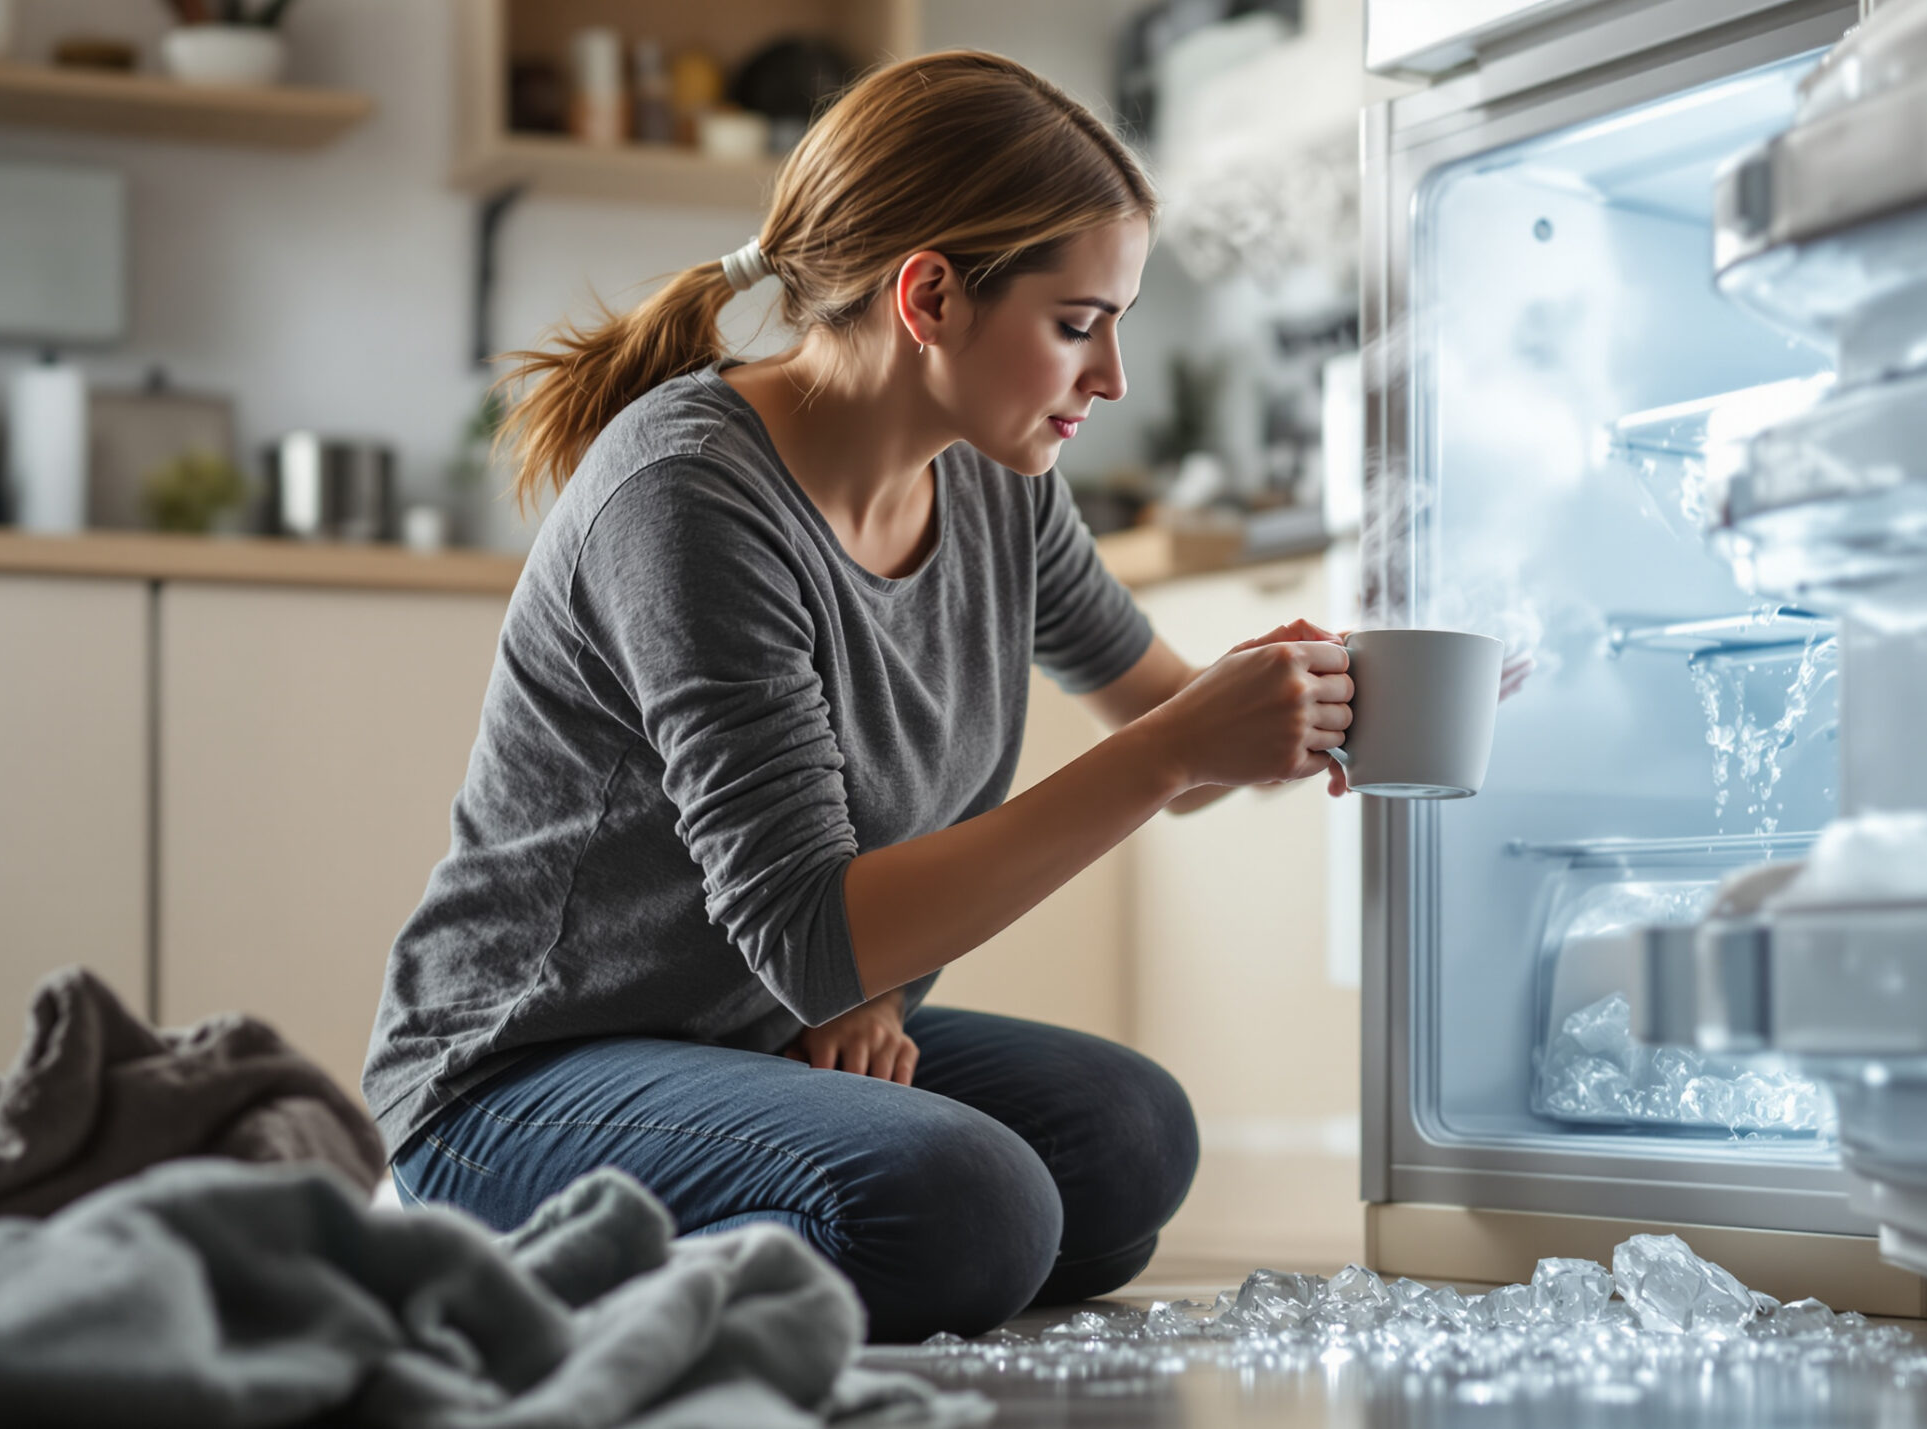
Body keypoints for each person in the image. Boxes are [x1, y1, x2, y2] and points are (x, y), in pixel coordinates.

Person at [359, 50, 1355, 1342]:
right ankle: (463, 1241)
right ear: (929, 295)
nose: (1111, 376)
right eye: (1077, 323)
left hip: (755, 1035)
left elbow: (1180, 727)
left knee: (1127, 1138)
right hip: (522, 1072)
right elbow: (815, 933)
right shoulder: (688, 495)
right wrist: (1167, 755)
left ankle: (787, 1211)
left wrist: (1342, 693)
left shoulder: (998, 486)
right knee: (973, 1210)